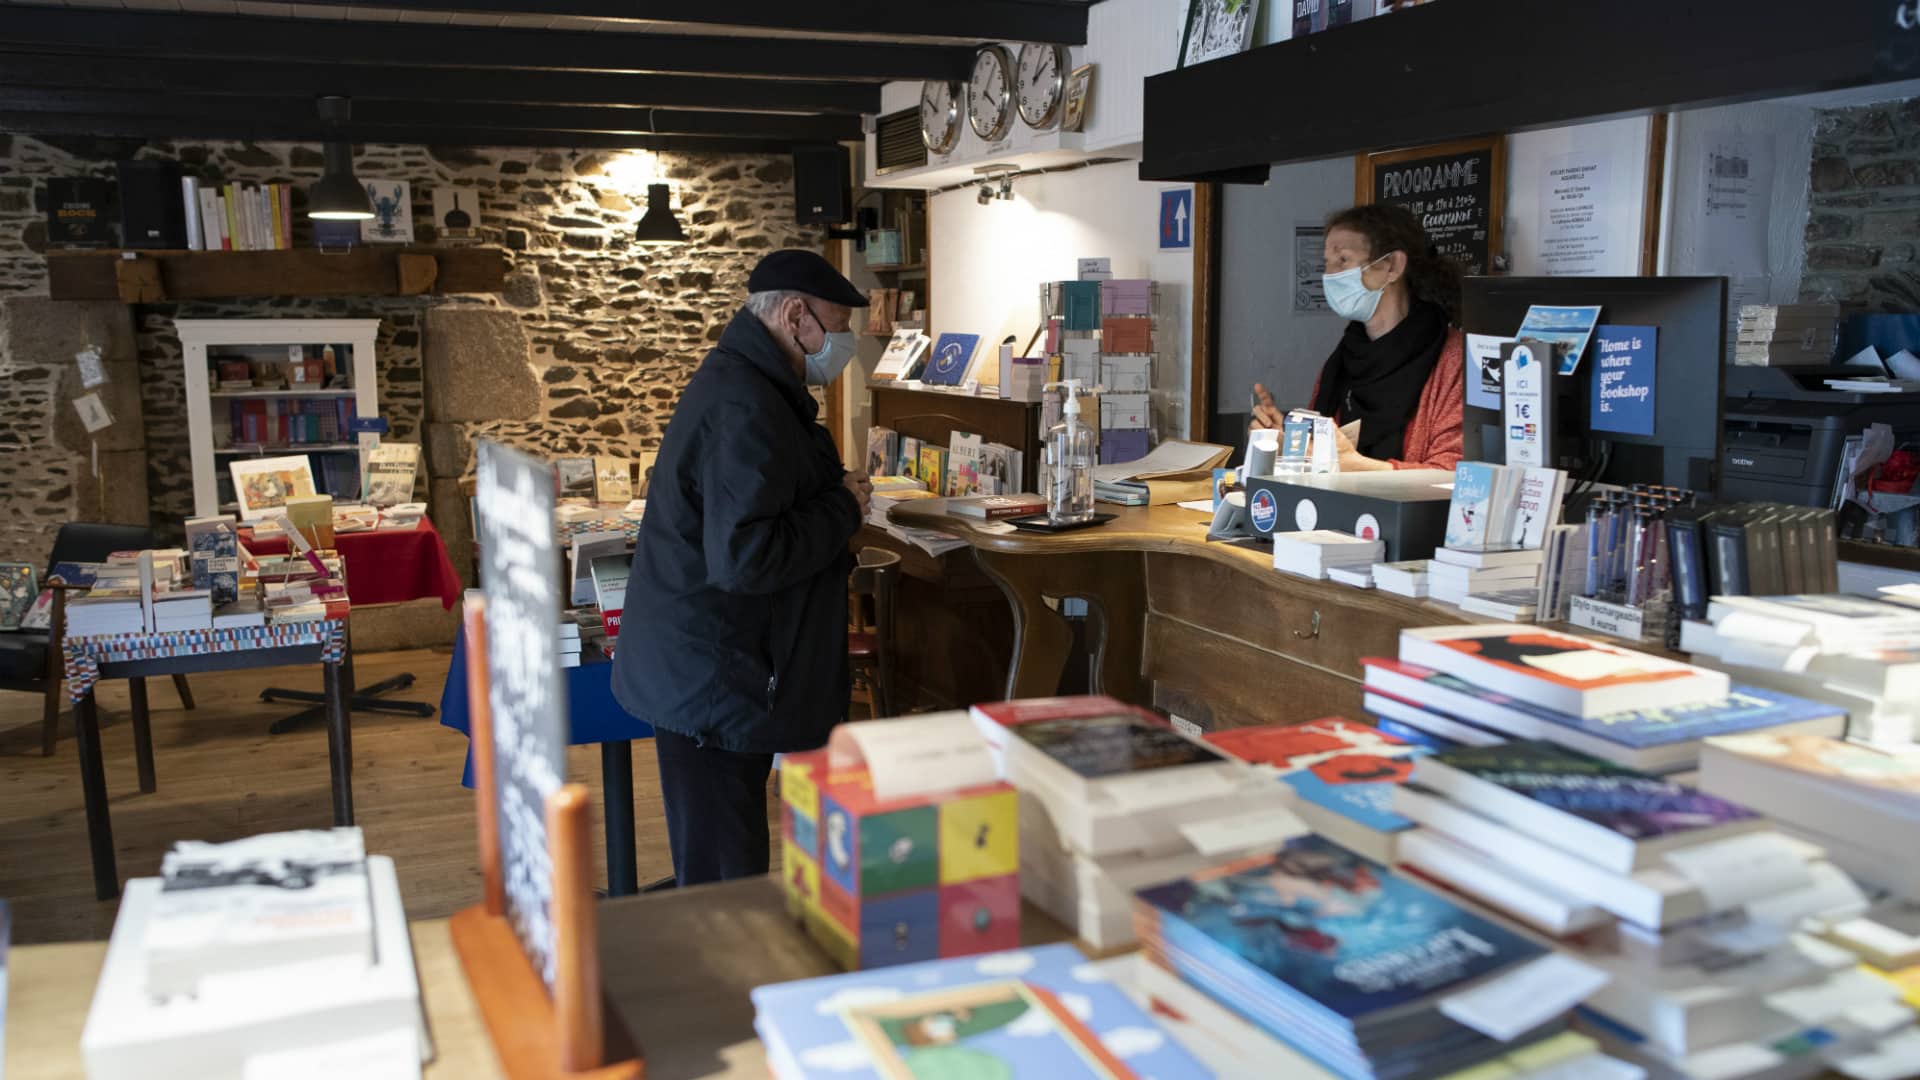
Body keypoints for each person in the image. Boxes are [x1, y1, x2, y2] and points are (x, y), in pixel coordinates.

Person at [610, 249, 873, 886]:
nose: (842, 348)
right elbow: (747, 556)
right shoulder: (745, 403)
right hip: (714, 683)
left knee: (725, 861)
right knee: (723, 881)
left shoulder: (755, 384)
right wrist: (843, 508)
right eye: (835, 329)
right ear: (794, 315)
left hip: (719, 673)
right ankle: (724, 987)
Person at [1251, 203, 1465, 472]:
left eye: (1343, 260)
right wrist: (1291, 443)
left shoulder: (1454, 359)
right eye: (1327, 264)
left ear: (1393, 266)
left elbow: (1455, 477)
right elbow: (1325, 461)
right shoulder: (1344, 358)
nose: (1330, 276)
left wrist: (1355, 466)